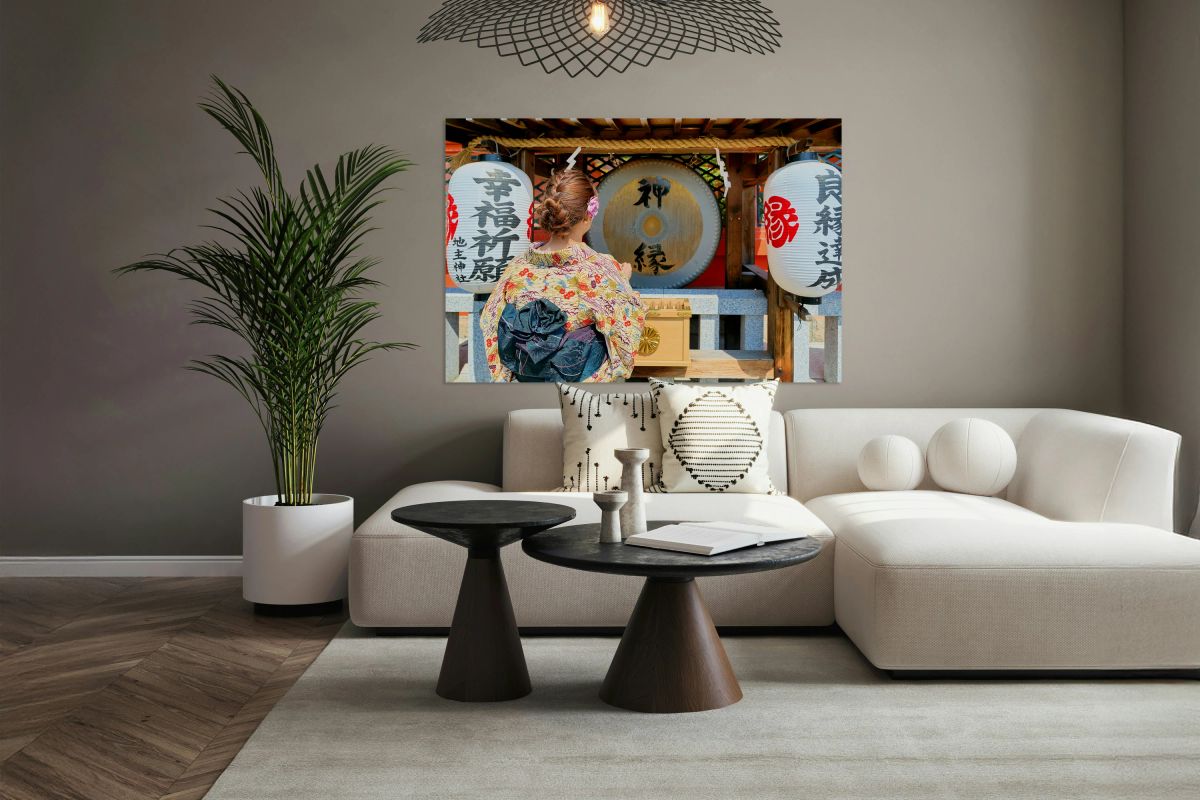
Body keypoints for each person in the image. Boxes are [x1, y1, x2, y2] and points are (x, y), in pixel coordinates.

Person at [480, 168, 645, 382]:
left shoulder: (518, 267)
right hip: (580, 386)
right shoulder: (598, 267)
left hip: (526, 379)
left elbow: (490, 320)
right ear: (588, 214)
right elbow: (624, 328)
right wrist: (623, 281)